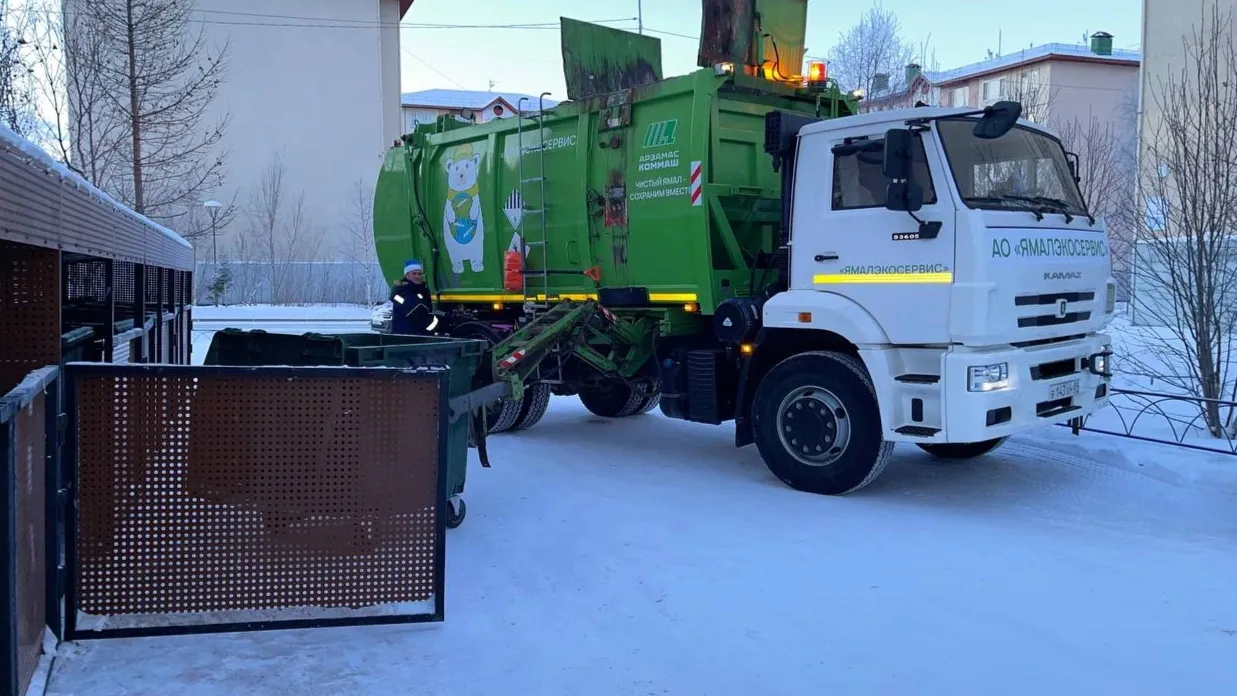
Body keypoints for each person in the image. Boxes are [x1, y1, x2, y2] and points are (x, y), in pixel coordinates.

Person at [390, 260, 436, 335]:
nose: (417, 276)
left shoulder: (422, 291)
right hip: (407, 338)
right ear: (407, 275)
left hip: (420, 338)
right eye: (414, 274)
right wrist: (442, 323)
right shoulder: (401, 292)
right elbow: (418, 313)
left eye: (419, 274)